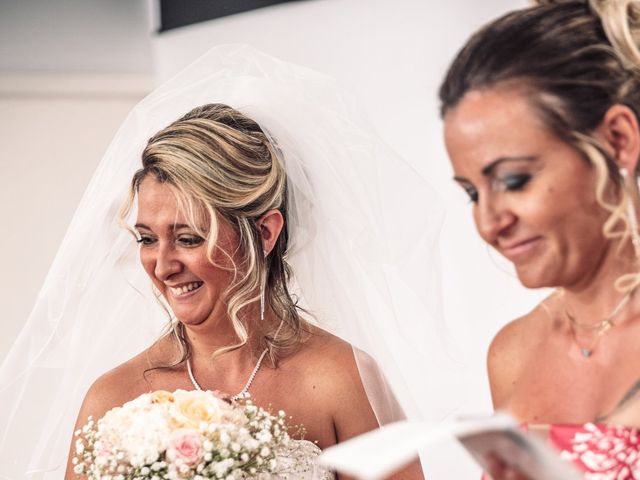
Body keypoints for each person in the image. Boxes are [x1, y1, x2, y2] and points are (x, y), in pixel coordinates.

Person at [0, 45, 441, 479]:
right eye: (147, 239)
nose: (163, 264)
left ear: (265, 233)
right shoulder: (113, 398)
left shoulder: (340, 379)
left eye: (189, 237)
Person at [439, 0, 640, 478]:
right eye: (472, 193)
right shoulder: (510, 354)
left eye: (513, 180)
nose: (489, 224)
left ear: (617, 140)